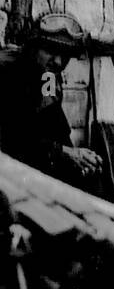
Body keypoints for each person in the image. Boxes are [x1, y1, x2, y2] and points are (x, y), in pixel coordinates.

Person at [0, 12, 105, 191]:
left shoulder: (47, 78)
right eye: (50, 51)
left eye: (65, 55)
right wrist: (65, 153)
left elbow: (54, 126)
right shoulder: (7, 73)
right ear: (33, 47)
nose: (58, 61)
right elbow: (13, 139)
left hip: (33, 167)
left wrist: (79, 157)